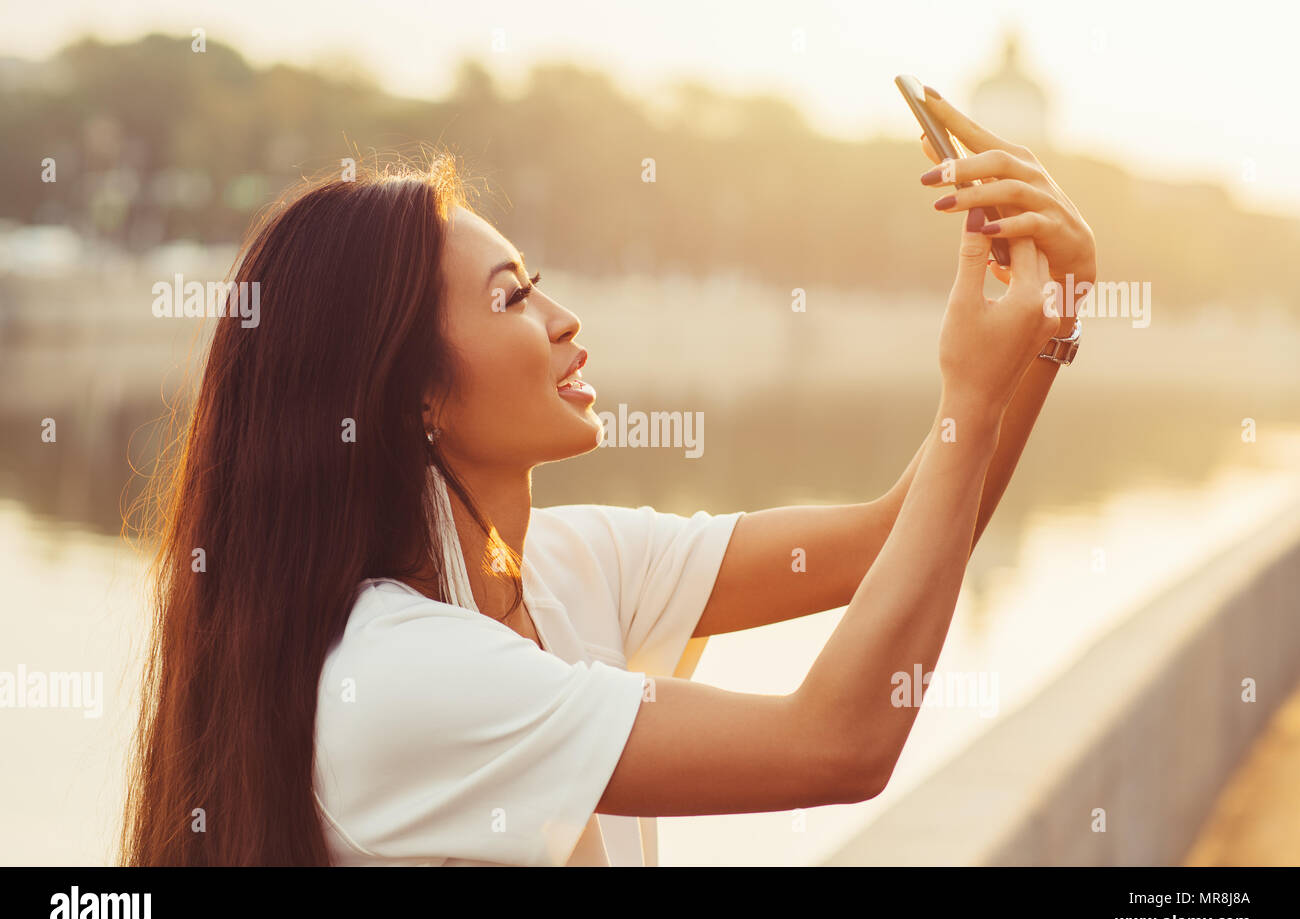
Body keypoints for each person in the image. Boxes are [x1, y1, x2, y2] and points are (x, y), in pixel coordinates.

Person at [121, 91, 1096, 866]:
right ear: (409, 390)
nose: (563, 316)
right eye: (510, 297)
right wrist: (968, 382)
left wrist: (1046, 330)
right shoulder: (395, 675)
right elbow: (835, 743)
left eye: (535, 279)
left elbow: (907, 536)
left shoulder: (569, 563)